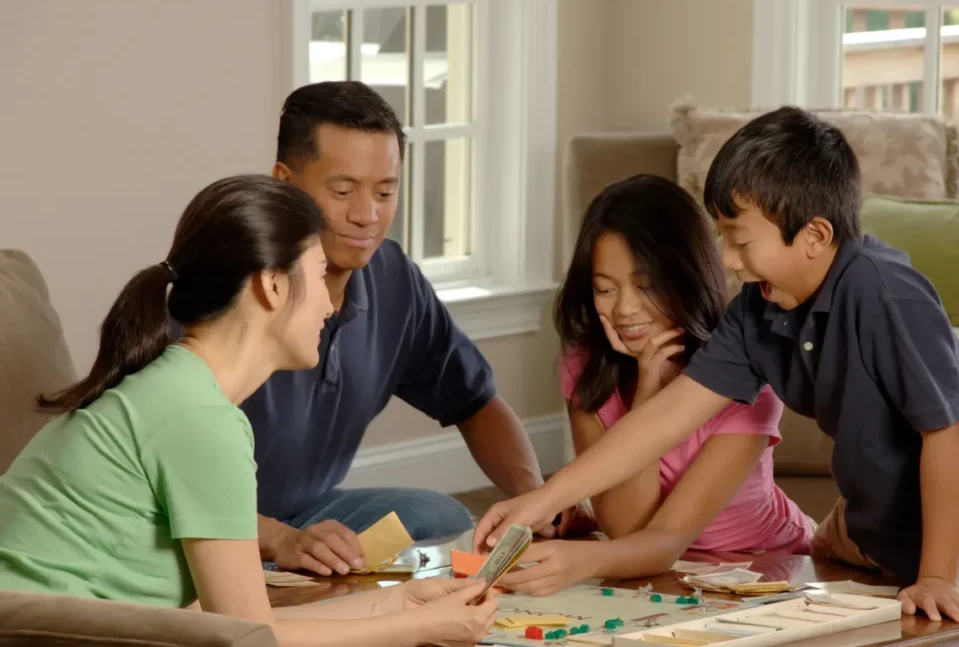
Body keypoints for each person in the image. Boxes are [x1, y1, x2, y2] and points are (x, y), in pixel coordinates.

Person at [474, 107, 959, 625]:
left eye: (740, 240)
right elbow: (661, 422)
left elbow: (949, 431)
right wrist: (541, 500)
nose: (729, 262)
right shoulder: (755, 314)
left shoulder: (887, 294)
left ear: (814, 235)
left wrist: (939, 575)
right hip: (879, 516)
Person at [0, 175, 496, 646]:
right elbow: (247, 636)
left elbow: (235, 619)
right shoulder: (199, 417)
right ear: (273, 286)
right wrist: (421, 629)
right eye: (320, 276)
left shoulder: (178, 389)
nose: (329, 304)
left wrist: (402, 604)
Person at [245, 81, 591, 578]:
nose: (367, 215)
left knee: (440, 516)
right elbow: (164, 485)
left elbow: (475, 401)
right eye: (342, 192)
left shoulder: (392, 277)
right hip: (205, 527)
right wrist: (278, 539)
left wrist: (531, 497)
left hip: (306, 513)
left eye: (385, 192)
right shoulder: (232, 288)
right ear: (284, 182)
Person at [496, 175, 814, 598]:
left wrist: (580, 556)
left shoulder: (746, 376)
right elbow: (625, 526)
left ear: (686, 275)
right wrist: (647, 390)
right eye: (605, 289)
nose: (625, 309)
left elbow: (662, 537)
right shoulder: (586, 367)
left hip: (763, 564)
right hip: (658, 571)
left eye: (646, 286)